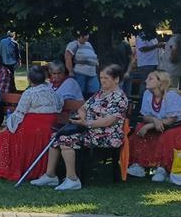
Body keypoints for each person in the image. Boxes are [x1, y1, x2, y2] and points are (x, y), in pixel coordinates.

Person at [29, 64, 129, 192]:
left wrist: (87, 123)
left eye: (106, 78)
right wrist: (81, 117)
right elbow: (83, 108)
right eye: (101, 77)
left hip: (107, 134)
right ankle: (50, 175)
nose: (102, 81)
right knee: (55, 137)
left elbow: (109, 120)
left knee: (65, 140)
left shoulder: (119, 97)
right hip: (89, 130)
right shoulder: (100, 93)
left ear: (116, 79)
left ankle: (72, 179)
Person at [128, 71, 181, 182]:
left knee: (168, 136)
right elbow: (145, 116)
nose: (146, 81)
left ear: (160, 82)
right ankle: (139, 165)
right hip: (164, 123)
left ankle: (163, 169)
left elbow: (171, 120)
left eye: (150, 79)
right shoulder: (147, 94)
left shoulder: (171, 96)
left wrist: (149, 126)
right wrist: (154, 120)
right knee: (140, 128)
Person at [0, 65, 60, 182]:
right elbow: (59, 106)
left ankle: (12, 168)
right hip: (48, 127)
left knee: (4, 136)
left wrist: (8, 127)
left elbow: (19, 113)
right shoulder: (52, 92)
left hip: (34, 127)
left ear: (29, 79)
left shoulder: (30, 93)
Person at [159, 24, 181, 94]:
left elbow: (174, 49)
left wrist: (173, 58)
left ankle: (173, 100)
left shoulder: (174, 39)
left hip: (173, 68)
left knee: (172, 88)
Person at [64, 30, 99, 96]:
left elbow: (93, 55)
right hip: (80, 73)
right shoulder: (73, 44)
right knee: (80, 92)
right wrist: (70, 71)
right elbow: (68, 58)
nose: (86, 37)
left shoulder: (89, 44)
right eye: (83, 36)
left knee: (95, 91)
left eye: (87, 35)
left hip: (92, 72)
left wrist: (96, 62)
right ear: (79, 37)